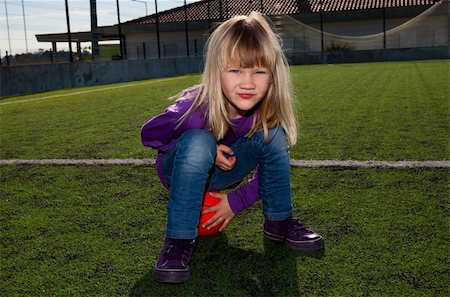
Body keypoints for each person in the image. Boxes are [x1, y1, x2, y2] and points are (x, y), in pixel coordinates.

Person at [141, 11, 324, 284]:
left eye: (259, 71)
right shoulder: (194, 108)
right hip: (179, 169)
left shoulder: (264, 113)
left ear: (272, 77)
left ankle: (279, 221)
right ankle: (178, 240)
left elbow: (270, 175)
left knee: (272, 133)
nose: (248, 83)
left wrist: (233, 203)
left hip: (227, 170)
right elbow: (149, 134)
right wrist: (199, 139)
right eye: (236, 70)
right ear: (217, 72)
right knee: (198, 141)